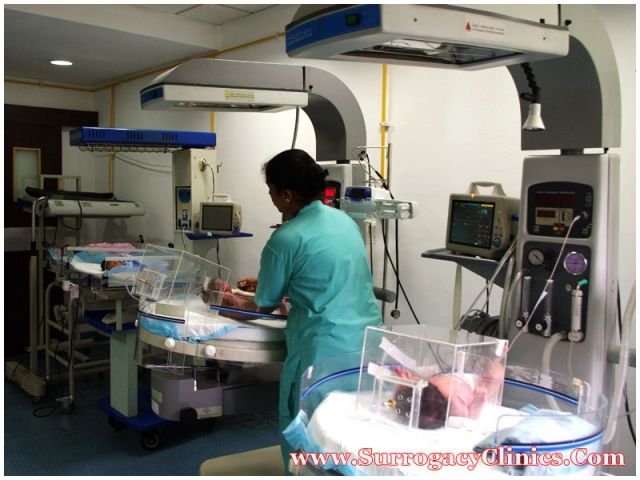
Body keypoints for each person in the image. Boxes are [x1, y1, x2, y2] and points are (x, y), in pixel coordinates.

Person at [219, 149, 382, 470]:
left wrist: (227, 303)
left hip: (320, 355)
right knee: (353, 440)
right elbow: (326, 276)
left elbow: (262, 305)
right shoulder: (346, 223)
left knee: (307, 440)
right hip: (366, 348)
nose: (271, 198)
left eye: (271, 191)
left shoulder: (285, 238)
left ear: (287, 195)